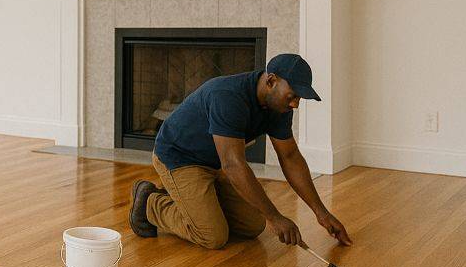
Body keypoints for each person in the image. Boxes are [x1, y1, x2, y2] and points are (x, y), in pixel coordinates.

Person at [129, 53, 352, 251]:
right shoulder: (228, 97)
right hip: (178, 157)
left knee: (252, 225)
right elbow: (233, 165)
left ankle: (196, 203)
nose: (295, 104)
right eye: (293, 96)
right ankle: (150, 200)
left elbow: (290, 158)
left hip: (213, 163)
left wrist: (322, 214)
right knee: (213, 236)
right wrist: (275, 217)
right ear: (271, 81)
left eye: (299, 98)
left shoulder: (278, 107)